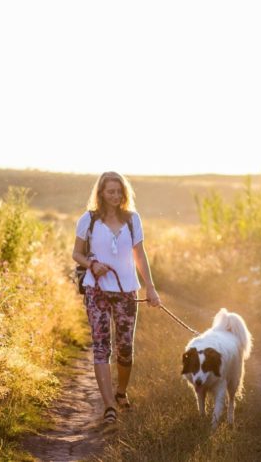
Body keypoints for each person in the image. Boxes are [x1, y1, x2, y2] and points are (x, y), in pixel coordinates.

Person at [72, 171, 161, 427]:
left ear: (124, 193)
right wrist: (92, 264)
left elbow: (140, 256)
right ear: (101, 193)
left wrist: (151, 288)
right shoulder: (87, 220)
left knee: (125, 348)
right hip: (96, 290)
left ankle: (121, 391)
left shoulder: (133, 220)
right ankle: (109, 405)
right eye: (110, 191)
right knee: (101, 346)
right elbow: (76, 253)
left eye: (119, 191)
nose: (115, 195)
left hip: (126, 292)